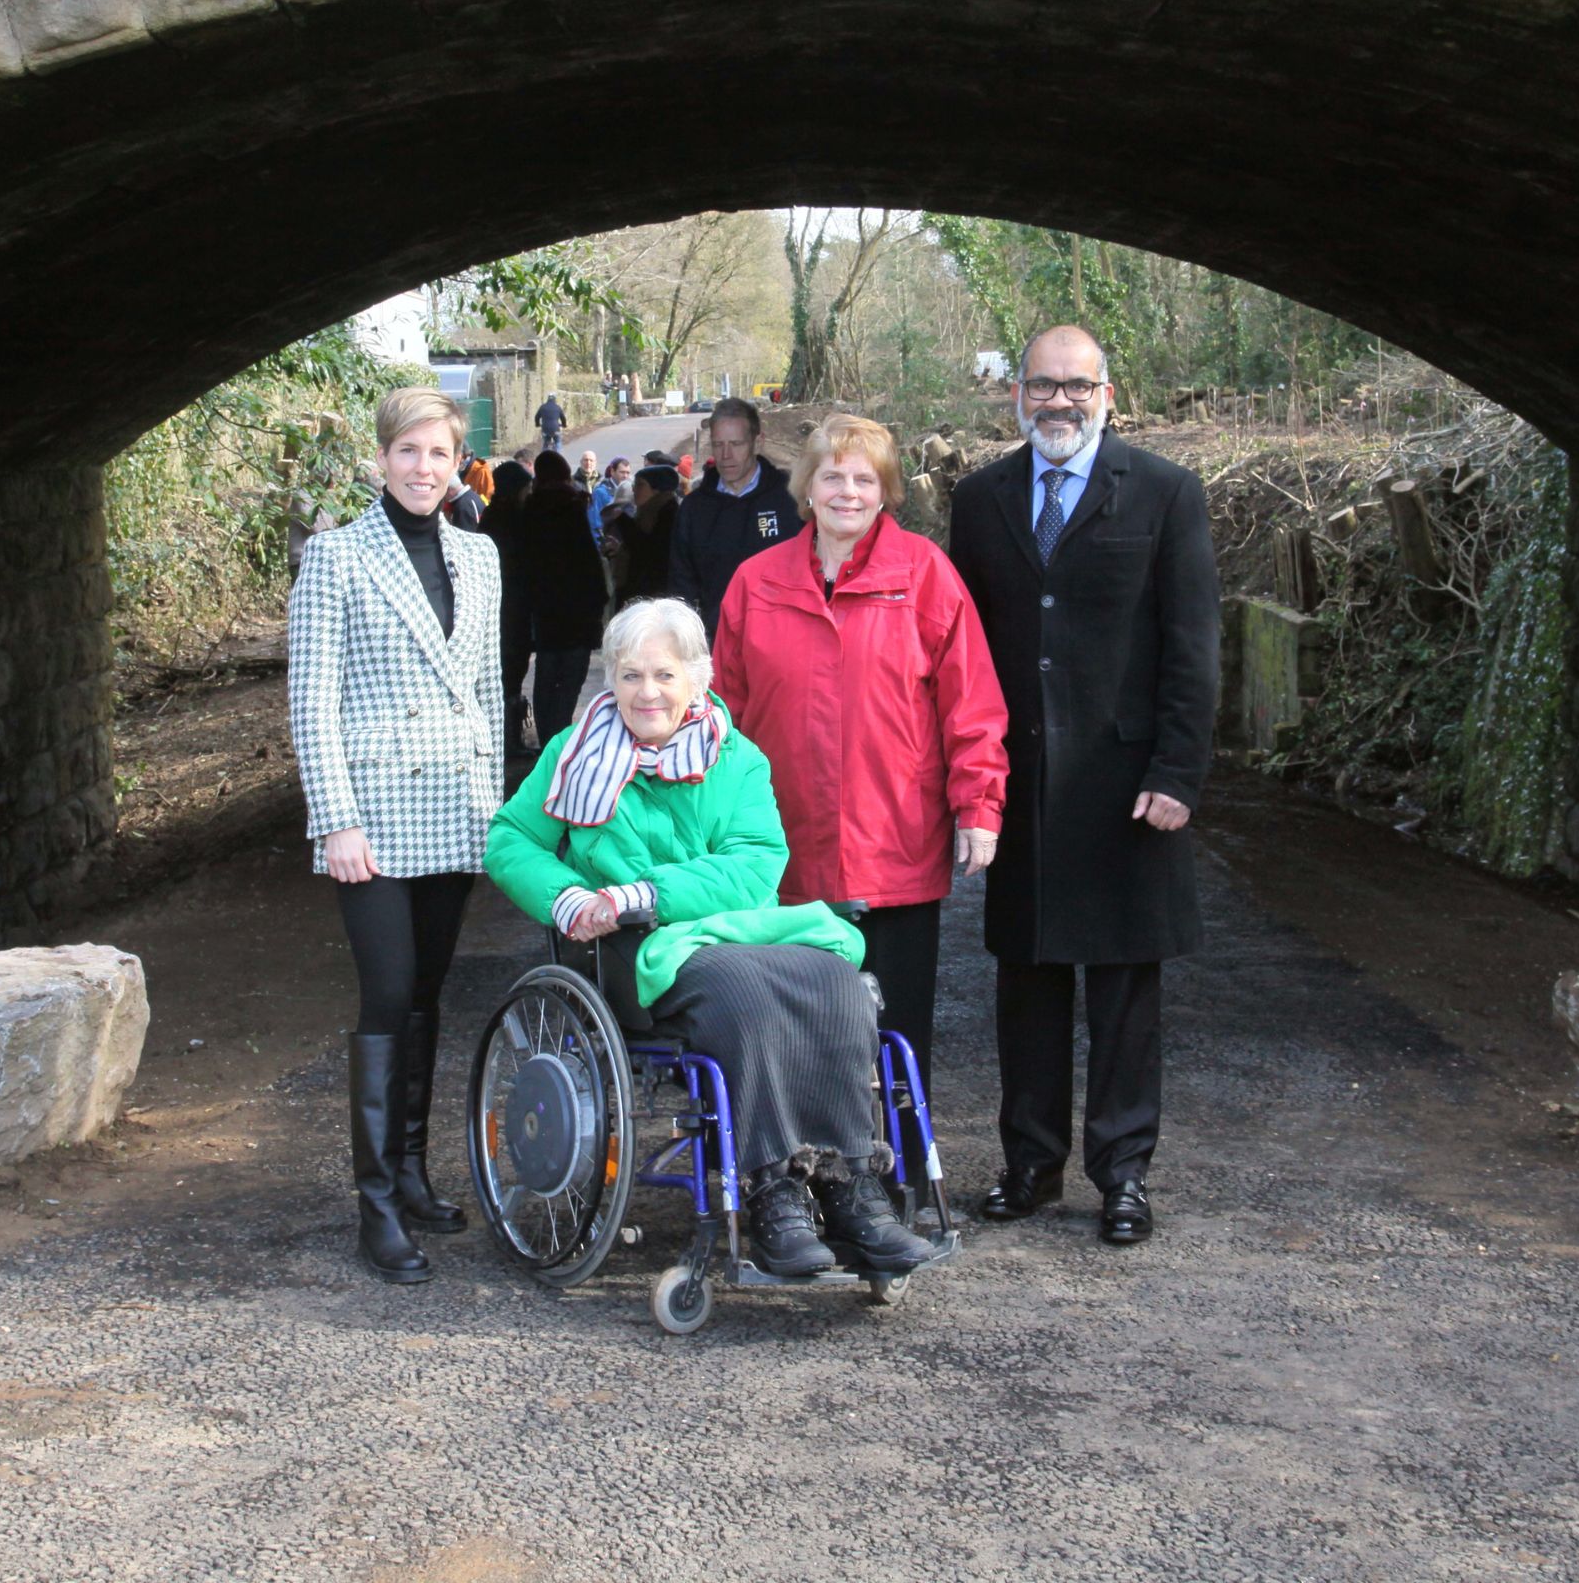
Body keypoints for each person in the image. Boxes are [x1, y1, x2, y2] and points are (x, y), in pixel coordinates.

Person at [484, 598, 935, 1275]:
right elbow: (510, 840)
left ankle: (850, 1188)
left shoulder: (736, 757)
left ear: (699, 677)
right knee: (742, 994)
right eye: (630, 676)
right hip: (635, 951)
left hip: (738, 930)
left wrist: (649, 891)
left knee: (838, 983)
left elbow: (755, 863)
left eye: (664, 675)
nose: (647, 693)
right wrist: (570, 897)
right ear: (611, 680)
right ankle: (774, 1193)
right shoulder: (570, 754)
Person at [948, 325, 1220, 1248]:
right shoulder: (980, 499)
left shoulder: (1165, 492)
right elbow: (966, 648)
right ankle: (1029, 1165)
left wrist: (1179, 770)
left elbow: (1193, 645)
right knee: (1024, 980)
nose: (1057, 402)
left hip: (1127, 788)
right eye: (1041, 386)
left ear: (1108, 393)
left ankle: (1124, 1174)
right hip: (1019, 783)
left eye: (1076, 386)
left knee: (1123, 990)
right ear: (1017, 395)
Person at [287, 385, 507, 1283]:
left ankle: (413, 1174)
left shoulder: (482, 557)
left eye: (440, 454)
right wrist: (334, 819)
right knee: (385, 998)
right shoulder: (336, 558)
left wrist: (494, 808)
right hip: (373, 816)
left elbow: (490, 690)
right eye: (409, 452)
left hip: (453, 809)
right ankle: (376, 1203)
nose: (425, 468)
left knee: (427, 994)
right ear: (381, 459)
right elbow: (312, 702)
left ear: (460, 463)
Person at [712, 413, 1008, 1072]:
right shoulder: (755, 583)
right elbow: (721, 719)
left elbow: (971, 703)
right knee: (798, 1032)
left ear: (887, 492)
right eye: (833, 476)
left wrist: (979, 808)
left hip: (893, 843)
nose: (848, 491)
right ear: (807, 488)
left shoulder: (925, 574)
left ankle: (896, 1171)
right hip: (783, 846)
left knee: (895, 1036)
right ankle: (807, 1171)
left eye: (865, 479)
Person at [668, 396, 804, 635]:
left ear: (757, 442)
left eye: (736, 444)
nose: (726, 455)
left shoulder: (792, 497)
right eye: (719, 445)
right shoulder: (694, 508)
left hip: (785, 641)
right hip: (719, 644)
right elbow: (681, 585)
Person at [517, 450, 604, 741]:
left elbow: (525, 562)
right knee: (570, 679)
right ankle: (562, 735)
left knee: (546, 675)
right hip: (577, 607)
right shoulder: (573, 505)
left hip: (546, 608)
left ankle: (547, 740)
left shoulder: (530, 510)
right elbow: (588, 561)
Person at [486, 457, 535, 754]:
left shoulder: (492, 516)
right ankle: (509, 740)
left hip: (504, 609)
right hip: (511, 609)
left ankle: (508, 738)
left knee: (507, 674)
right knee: (510, 674)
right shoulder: (513, 519)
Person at [601, 464, 679, 604]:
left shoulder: (668, 516)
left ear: (657, 490)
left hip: (651, 597)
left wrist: (623, 521)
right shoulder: (646, 513)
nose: (634, 489)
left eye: (640, 485)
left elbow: (648, 551)